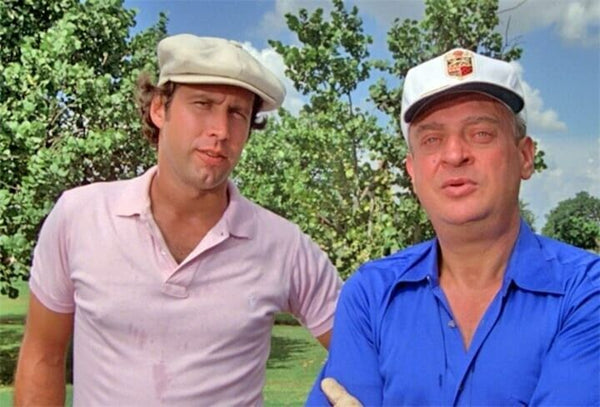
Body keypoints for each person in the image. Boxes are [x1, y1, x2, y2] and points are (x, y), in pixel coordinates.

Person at [14, 34, 342, 406]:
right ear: (159, 108)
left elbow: (367, 353)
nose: (221, 130)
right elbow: (43, 355)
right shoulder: (80, 216)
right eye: (203, 104)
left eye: (237, 113)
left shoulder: (283, 245)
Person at [307, 48, 600, 406]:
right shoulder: (370, 294)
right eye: (432, 139)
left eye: (481, 133)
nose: (454, 154)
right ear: (412, 171)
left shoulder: (587, 292)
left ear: (525, 156)